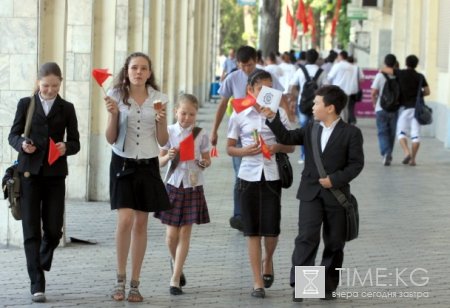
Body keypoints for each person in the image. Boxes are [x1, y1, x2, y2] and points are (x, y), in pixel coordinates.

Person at [263, 85, 364, 302]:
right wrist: (272, 117)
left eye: (317, 103)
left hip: (336, 195)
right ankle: (303, 286)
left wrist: (334, 179)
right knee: (306, 238)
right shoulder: (311, 127)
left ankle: (327, 286)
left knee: (335, 243)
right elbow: (287, 137)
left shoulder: (351, 133)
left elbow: (356, 164)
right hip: (310, 194)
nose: (312, 106)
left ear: (330, 108)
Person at [8, 62, 80, 303]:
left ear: (61, 83)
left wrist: (65, 147)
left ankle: (41, 257)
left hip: (55, 176)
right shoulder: (26, 104)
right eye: (45, 86)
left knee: (53, 229)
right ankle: (37, 283)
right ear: (38, 82)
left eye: (55, 86)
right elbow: (13, 135)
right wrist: (22, 144)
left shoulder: (67, 107)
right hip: (28, 175)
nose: (50, 90)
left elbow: (76, 142)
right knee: (30, 229)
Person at [104, 52, 172, 302]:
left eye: (144, 68)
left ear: (149, 73)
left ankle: (135, 283)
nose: (139, 72)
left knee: (141, 223)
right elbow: (110, 138)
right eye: (134, 68)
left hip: (148, 164)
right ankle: (119, 280)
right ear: (127, 70)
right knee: (125, 220)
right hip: (122, 162)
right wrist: (113, 115)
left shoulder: (160, 99)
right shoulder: (115, 96)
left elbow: (163, 140)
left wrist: (162, 121)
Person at [227, 70, 295, 299]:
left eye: (269, 89)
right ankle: (257, 281)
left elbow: (291, 145)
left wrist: (276, 147)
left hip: (272, 175)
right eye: (260, 89)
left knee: (272, 230)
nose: (265, 93)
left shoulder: (280, 114)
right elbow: (229, 148)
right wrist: (243, 151)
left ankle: (268, 260)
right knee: (252, 231)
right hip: (247, 176)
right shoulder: (239, 114)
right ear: (250, 90)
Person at [210, 45, 285, 232]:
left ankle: (262, 211)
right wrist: (214, 130)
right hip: (242, 131)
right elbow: (222, 104)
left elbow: (280, 99)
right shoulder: (232, 78)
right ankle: (240, 215)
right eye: (242, 65)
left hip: (265, 130)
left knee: (265, 171)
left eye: (250, 65)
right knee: (240, 174)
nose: (246, 69)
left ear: (256, 60)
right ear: (237, 63)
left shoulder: (266, 78)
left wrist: (286, 122)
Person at [154, 93, 211, 296]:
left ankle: (175, 278)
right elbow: (158, 161)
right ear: (176, 111)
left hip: (193, 185)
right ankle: (175, 261)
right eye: (183, 113)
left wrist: (204, 163)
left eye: (191, 114)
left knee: (185, 233)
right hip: (172, 184)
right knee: (171, 236)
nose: (187, 118)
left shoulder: (201, 133)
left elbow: (207, 158)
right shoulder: (168, 132)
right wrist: (168, 156)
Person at [289, 49, 328, 164]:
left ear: (306, 58)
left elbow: (292, 87)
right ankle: (317, 157)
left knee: (304, 131)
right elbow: (327, 89)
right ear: (317, 59)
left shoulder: (300, 71)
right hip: (319, 105)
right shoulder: (322, 72)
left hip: (303, 105)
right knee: (318, 131)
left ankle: (303, 156)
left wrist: (297, 97)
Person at [395, 55, 430, 166]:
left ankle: (406, 152)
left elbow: (386, 69)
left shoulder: (401, 73)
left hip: (405, 108)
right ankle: (413, 159)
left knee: (401, 133)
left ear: (406, 63)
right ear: (416, 64)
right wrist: (419, 94)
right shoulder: (420, 76)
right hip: (417, 109)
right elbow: (428, 91)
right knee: (415, 135)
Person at [371, 53, 399, 166]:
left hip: (381, 107)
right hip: (395, 108)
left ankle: (386, 153)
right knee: (392, 133)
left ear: (385, 63)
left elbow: (373, 92)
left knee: (382, 132)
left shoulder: (380, 75)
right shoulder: (398, 75)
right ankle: (389, 153)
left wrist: (374, 104)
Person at [327, 51, 357, 122]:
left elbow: (329, 77)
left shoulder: (337, 65)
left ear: (340, 56)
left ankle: (340, 126)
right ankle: (345, 124)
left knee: (338, 109)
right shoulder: (351, 67)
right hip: (348, 91)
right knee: (345, 109)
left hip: (337, 90)